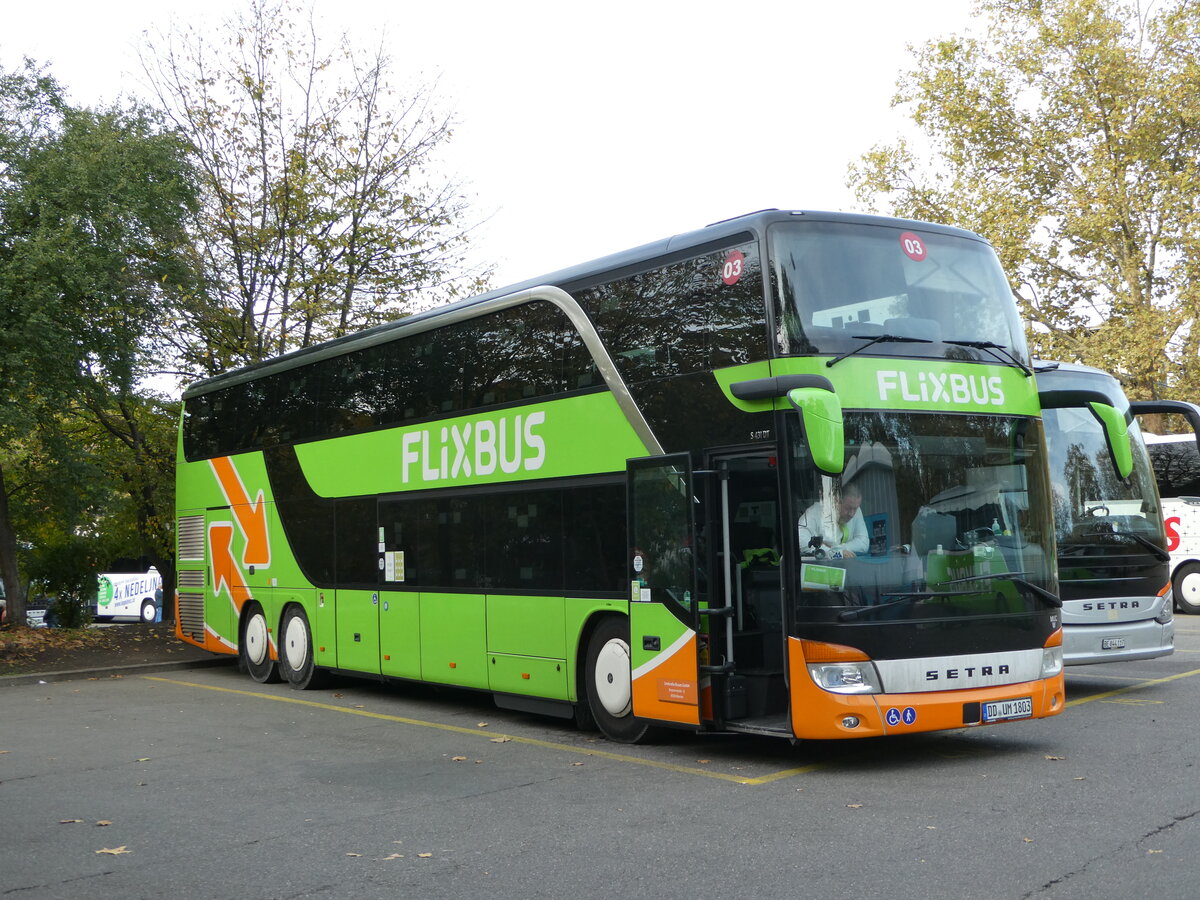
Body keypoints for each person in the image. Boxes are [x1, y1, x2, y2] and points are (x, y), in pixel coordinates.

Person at [798, 482, 869, 557]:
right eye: (848, 508)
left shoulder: (855, 509)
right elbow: (801, 542)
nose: (851, 514)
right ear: (836, 501)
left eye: (855, 509)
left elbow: (863, 543)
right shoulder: (813, 513)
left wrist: (837, 549)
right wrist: (835, 553)